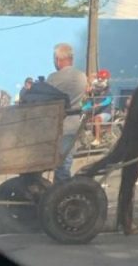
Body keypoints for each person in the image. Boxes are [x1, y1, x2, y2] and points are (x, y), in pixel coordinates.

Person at [46, 43, 88, 183]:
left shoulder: (53, 78)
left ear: (58, 59)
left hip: (57, 124)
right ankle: (61, 190)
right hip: (74, 123)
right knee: (66, 159)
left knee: (61, 164)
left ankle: (60, 193)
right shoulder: (82, 76)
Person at [82, 69, 114, 146]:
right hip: (96, 113)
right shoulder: (95, 94)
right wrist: (83, 108)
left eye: (102, 79)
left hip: (106, 113)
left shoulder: (107, 92)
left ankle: (98, 139)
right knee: (85, 119)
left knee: (97, 118)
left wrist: (99, 105)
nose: (99, 80)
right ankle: (85, 140)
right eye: (98, 78)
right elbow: (89, 104)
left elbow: (108, 100)